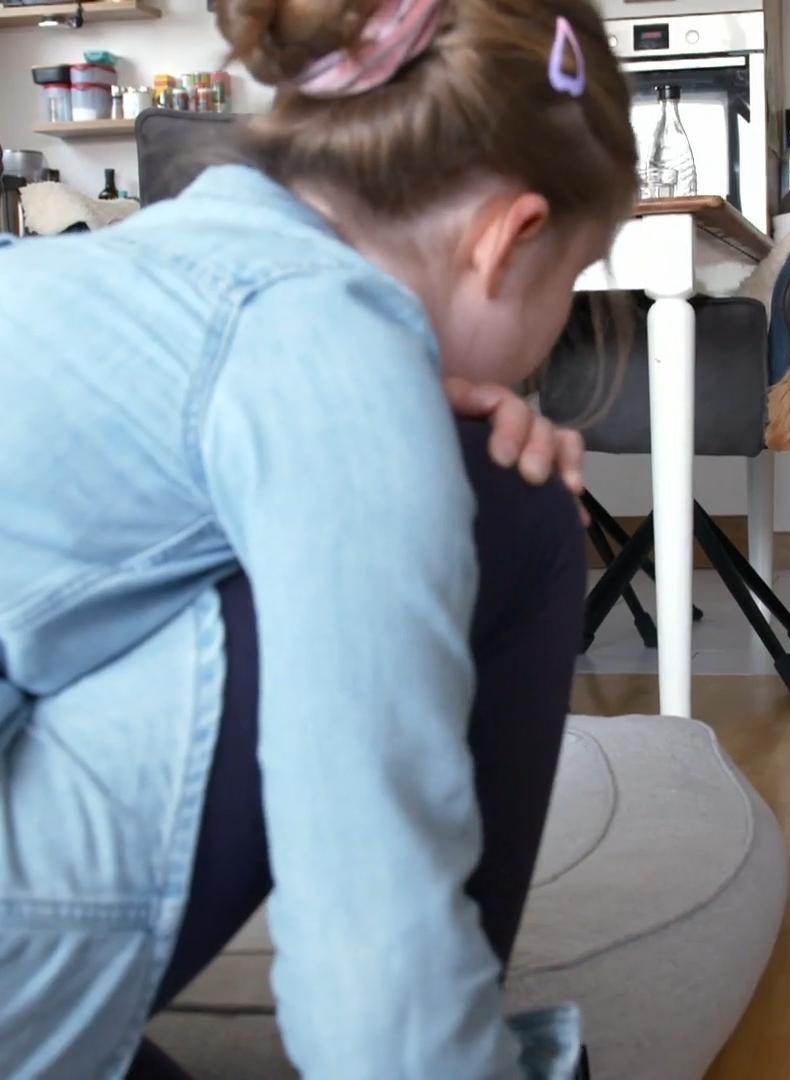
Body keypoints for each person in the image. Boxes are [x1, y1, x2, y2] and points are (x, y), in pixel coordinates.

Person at [0, 0, 636, 1077]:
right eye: (570, 286)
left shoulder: (122, 277)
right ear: (508, 238)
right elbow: (368, 939)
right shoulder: (331, 357)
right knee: (517, 505)